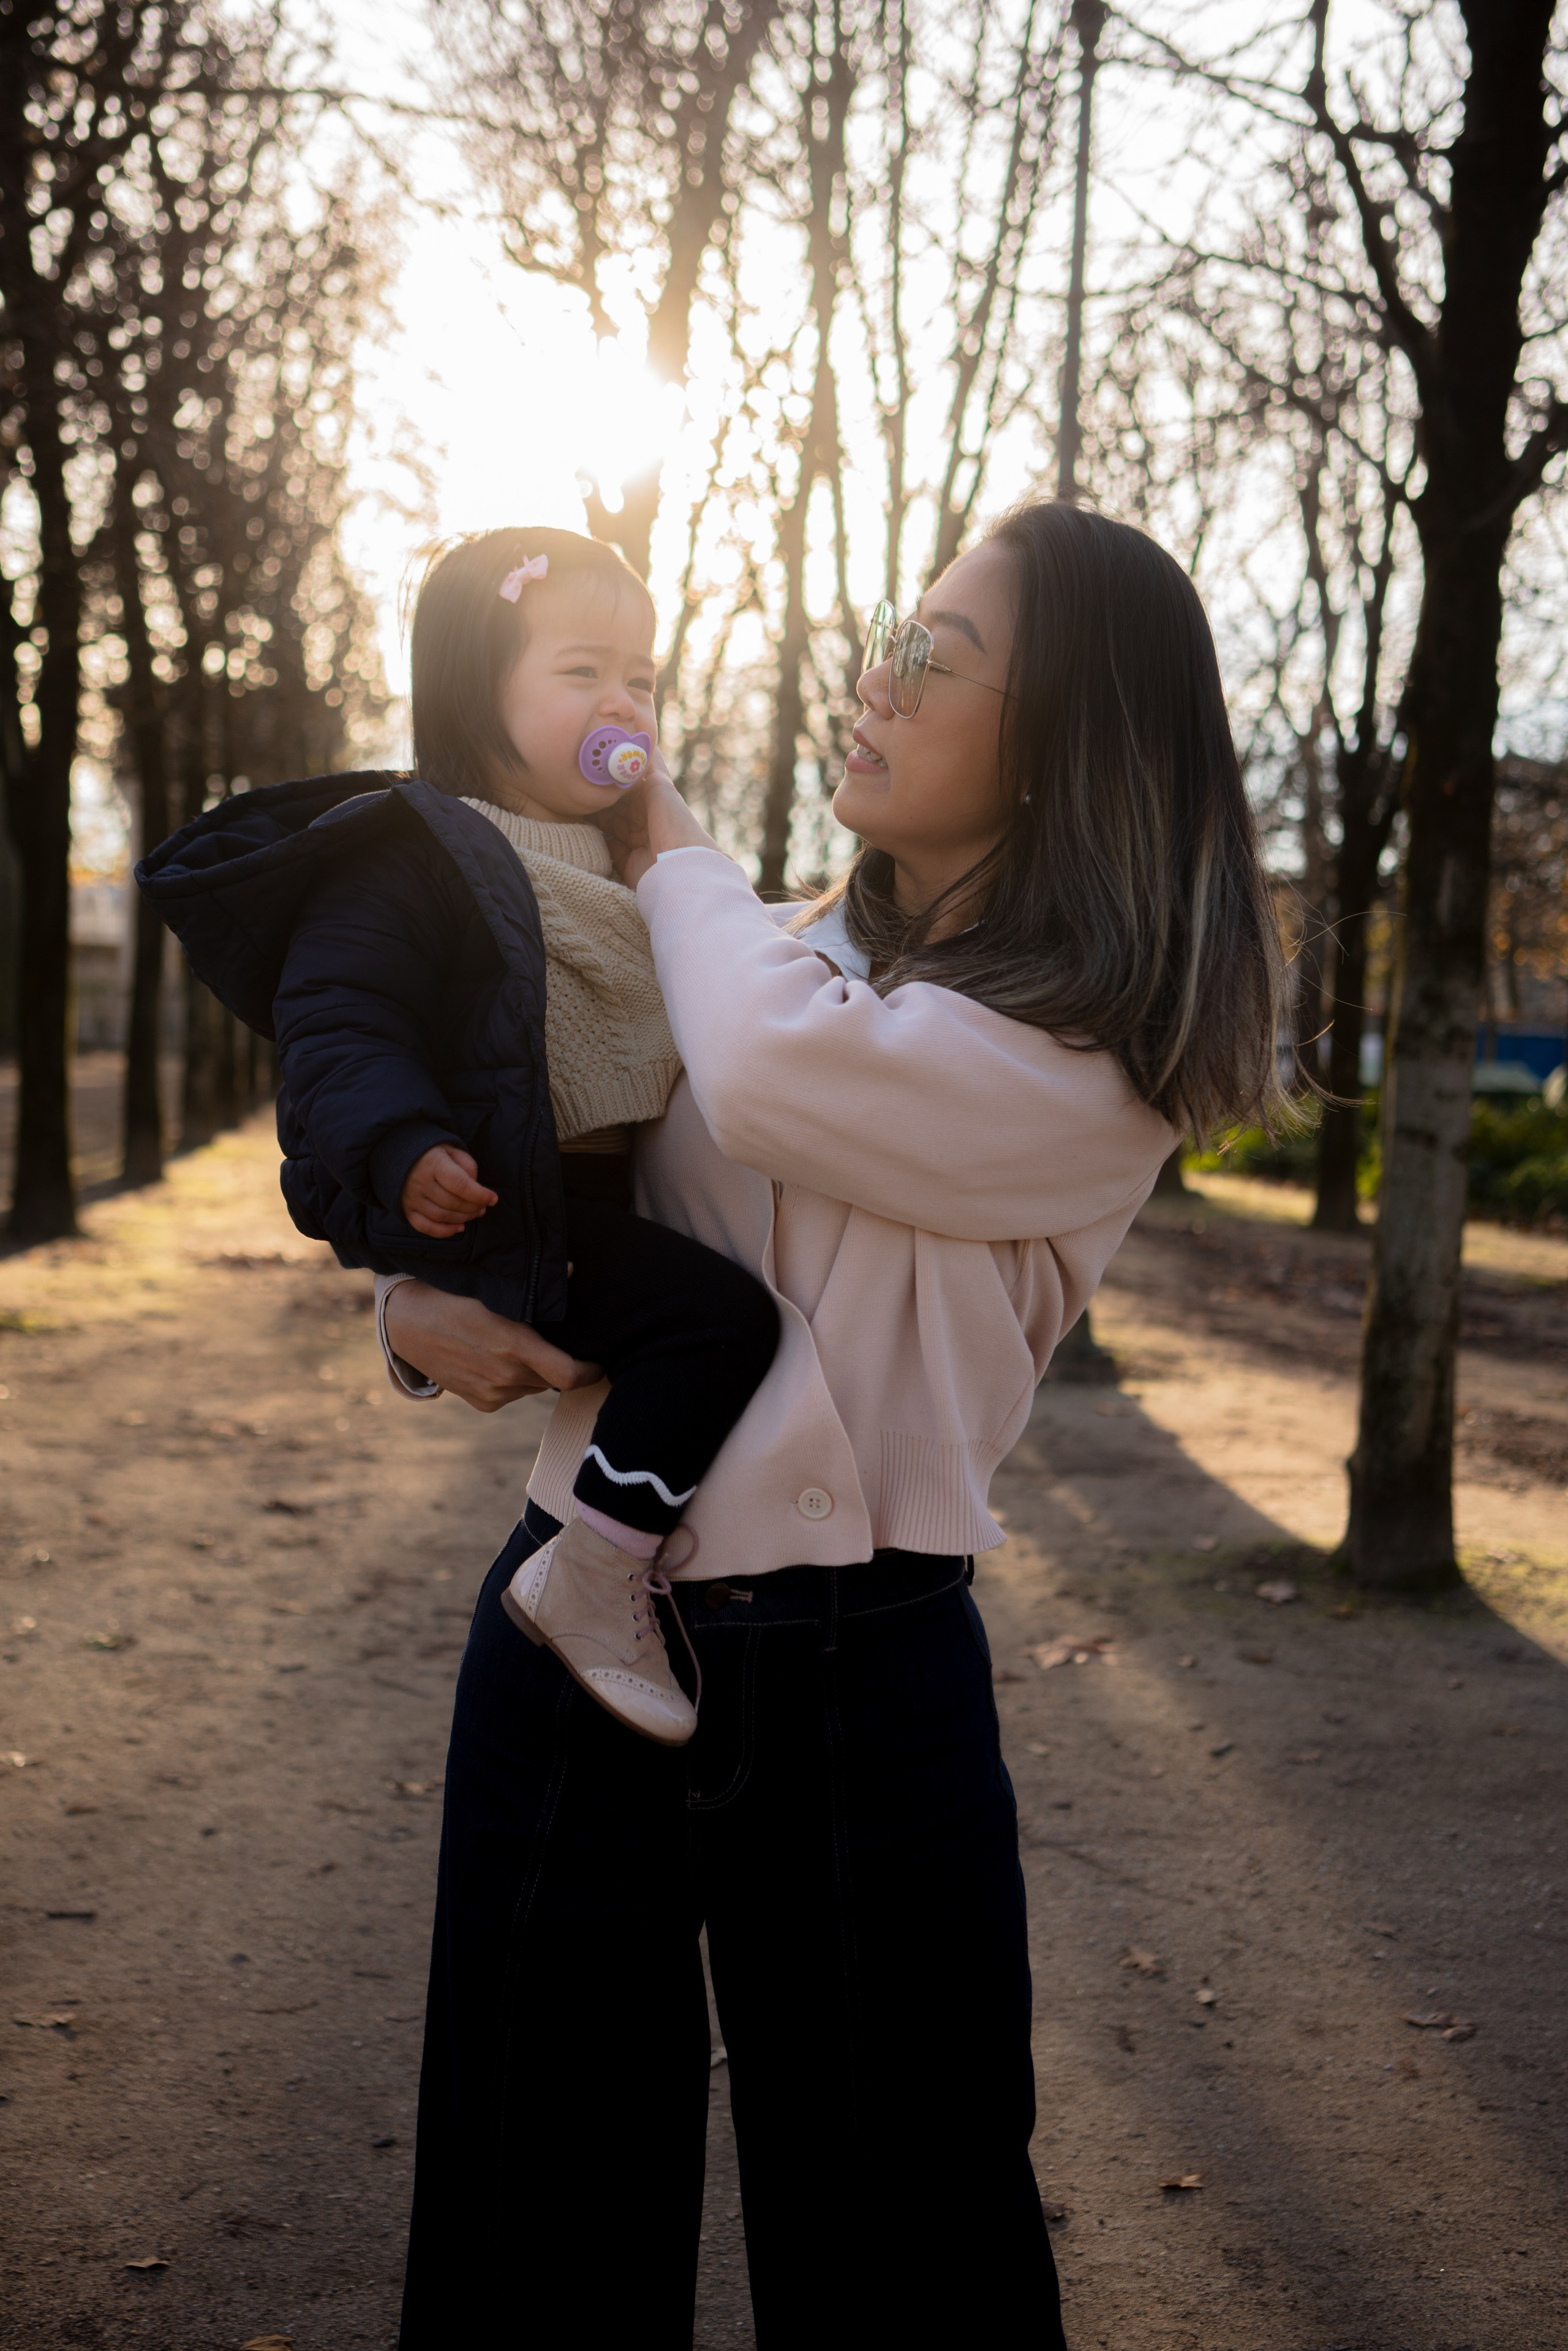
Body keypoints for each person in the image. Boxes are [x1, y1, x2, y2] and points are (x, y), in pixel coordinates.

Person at [379, 499, 1290, 2349]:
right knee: (526, 2223)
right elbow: (565, 1193)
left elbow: (788, 1082)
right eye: (896, 626)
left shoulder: (1094, 1060)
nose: (880, 674)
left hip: (862, 1674)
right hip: (578, 1617)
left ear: (1068, 741)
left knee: (909, 2249)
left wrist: (662, 841)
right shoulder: (757, 948)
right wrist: (409, 1303)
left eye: (937, 653)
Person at [136, 528, 780, 1747]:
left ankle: (609, 1555)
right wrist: (401, 1145)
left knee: (691, 1319)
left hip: (583, 1200)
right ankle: (594, 1577)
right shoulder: (409, 853)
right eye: (581, 670)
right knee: (717, 1324)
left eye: (640, 677)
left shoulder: (633, 859)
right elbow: (340, 1022)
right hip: (500, 1208)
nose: (621, 701)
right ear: (479, 688)